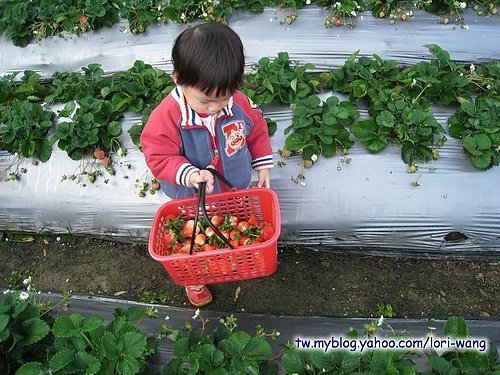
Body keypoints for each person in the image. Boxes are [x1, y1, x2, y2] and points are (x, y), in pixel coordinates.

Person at [140, 22, 274, 307]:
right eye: (206, 101)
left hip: (231, 184)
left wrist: (262, 163)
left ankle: (230, 256)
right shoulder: (167, 116)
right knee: (192, 237)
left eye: (222, 98)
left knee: (228, 224)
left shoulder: (237, 103)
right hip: (190, 194)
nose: (215, 108)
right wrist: (187, 174)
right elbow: (158, 155)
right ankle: (195, 278)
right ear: (178, 78)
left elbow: (256, 129)